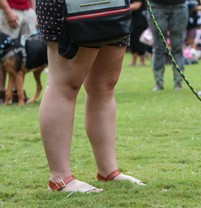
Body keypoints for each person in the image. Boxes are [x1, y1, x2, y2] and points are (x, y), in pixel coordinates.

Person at [36, 0, 145, 193]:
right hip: (69, 5)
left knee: (104, 85)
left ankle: (108, 170)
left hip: (114, 4)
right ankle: (60, 177)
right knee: (65, 85)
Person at [146, 0, 189, 91]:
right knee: (158, 47)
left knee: (177, 47)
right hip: (156, 6)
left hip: (179, 6)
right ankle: (158, 82)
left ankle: (178, 82)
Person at [0, 0, 37, 100]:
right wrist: (8, 11)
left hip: (28, 11)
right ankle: (1, 93)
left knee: (24, 56)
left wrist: (33, 12)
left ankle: (16, 93)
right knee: (4, 54)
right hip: (11, 9)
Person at [128, 0, 148, 67]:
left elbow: (136, 5)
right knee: (133, 42)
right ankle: (133, 61)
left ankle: (142, 61)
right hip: (133, 22)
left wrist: (122, 8)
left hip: (140, 23)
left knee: (139, 42)